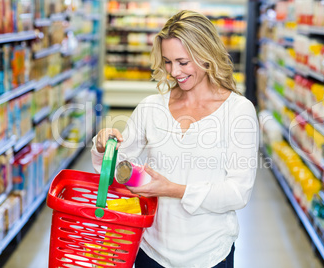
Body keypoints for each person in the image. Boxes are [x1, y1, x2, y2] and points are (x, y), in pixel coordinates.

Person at [91, 10, 259, 268]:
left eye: (183, 62)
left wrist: (173, 189)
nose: (174, 72)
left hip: (211, 253)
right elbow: (119, 172)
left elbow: (237, 192)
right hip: (152, 250)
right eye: (168, 62)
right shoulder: (151, 107)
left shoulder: (238, 110)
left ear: (207, 55)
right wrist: (106, 148)